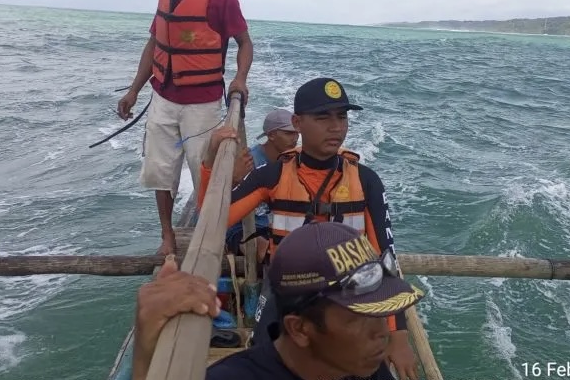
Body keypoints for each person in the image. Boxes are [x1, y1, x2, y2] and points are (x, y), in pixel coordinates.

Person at [197, 77, 419, 379]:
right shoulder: (273, 174)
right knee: (269, 354)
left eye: (342, 116)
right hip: (288, 294)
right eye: (323, 117)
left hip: (351, 298)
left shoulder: (366, 181)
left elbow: (385, 258)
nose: (336, 127)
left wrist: (399, 336)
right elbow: (213, 220)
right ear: (297, 123)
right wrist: (211, 162)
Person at [132, 221, 426, 380]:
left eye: (378, 312)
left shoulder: (363, 368)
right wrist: (146, 354)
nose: (382, 332)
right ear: (299, 329)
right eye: (359, 316)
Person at [116, 0, 253, 256]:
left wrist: (239, 79)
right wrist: (134, 90)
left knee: (203, 169)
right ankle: (167, 237)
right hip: (162, 97)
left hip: (201, 104)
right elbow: (154, 44)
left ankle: (211, 236)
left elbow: (245, 43)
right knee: (159, 170)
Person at [226, 108, 299, 261]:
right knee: (262, 247)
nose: (295, 139)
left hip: (276, 224)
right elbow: (222, 204)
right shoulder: (248, 162)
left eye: (296, 133)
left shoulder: (292, 160)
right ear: (271, 135)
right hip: (244, 228)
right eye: (288, 133)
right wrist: (234, 179)